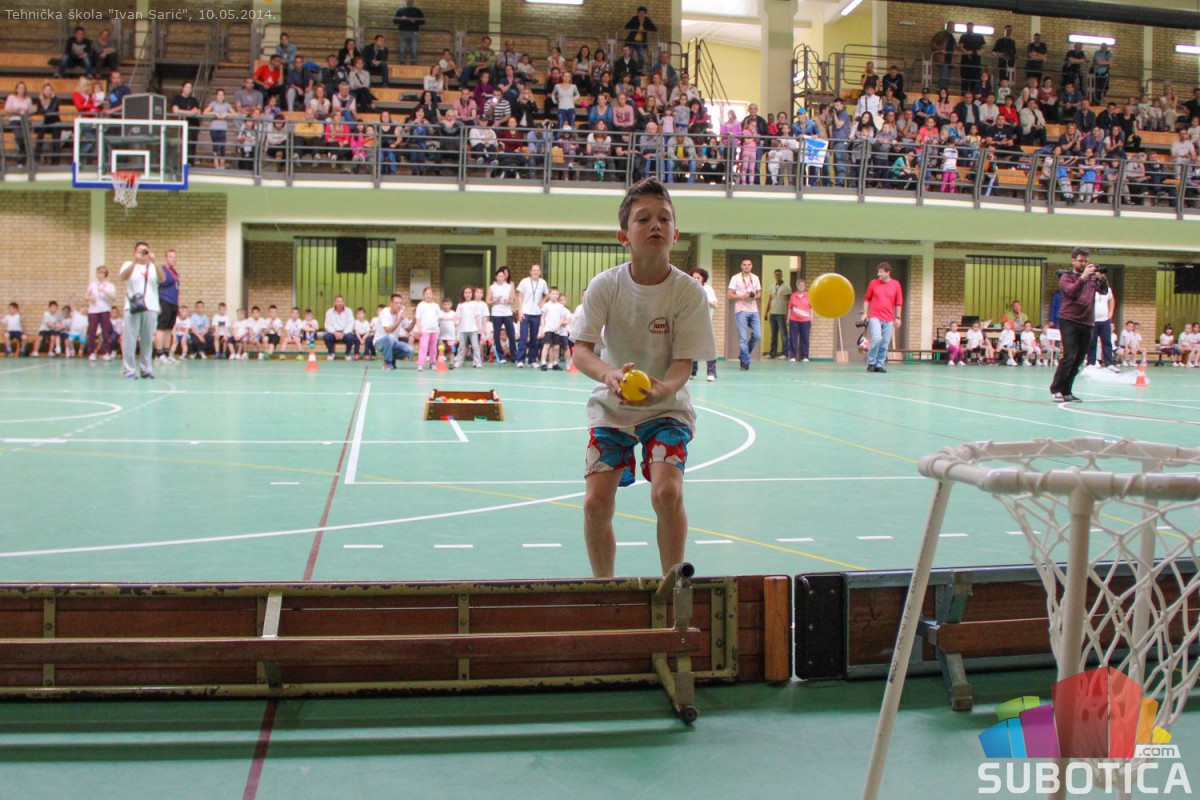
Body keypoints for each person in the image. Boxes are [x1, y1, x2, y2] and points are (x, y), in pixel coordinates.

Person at [571, 178, 715, 577]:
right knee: (595, 504)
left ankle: (673, 584)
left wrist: (663, 389)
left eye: (664, 219)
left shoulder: (688, 292)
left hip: (666, 409)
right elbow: (581, 350)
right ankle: (604, 587)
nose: (655, 225)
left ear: (675, 233)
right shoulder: (606, 285)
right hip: (611, 409)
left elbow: (683, 363)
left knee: (666, 493)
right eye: (643, 219)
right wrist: (609, 375)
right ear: (624, 236)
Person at [1050, 248, 1106, 401]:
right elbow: (1071, 292)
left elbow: (1104, 291)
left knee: (1078, 360)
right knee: (1069, 356)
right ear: (1073, 261)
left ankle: (1067, 391)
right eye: (1081, 261)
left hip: (1087, 322)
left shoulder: (1092, 279)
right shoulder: (1066, 277)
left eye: (1086, 261)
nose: (1083, 264)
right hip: (1069, 321)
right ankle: (1056, 389)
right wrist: (1083, 277)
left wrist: (1102, 278)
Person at [119, 242, 166, 379]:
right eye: (140, 251)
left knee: (147, 339)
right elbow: (123, 277)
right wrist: (135, 261)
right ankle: (129, 370)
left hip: (150, 307)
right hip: (132, 306)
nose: (143, 253)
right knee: (130, 339)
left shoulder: (153, 267)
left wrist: (154, 261)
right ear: (135, 252)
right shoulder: (128, 264)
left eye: (145, 251)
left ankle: (146, 369)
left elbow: (162, 278)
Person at [861, 262, 903, 373]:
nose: (878, 274)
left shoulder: (896, 284)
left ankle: (879, 364)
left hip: (889, 318)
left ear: (888, 272)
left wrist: (898, 317)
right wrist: (865, 313)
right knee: (877, 338)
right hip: (875, 316)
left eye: (881, 272)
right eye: (878, 271)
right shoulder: (873, 283)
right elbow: (866, 299)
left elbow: (898, 302)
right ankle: (871, 362)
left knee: (884, 343)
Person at [727, 258, 761, 370]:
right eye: (744, 264)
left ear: (751, 266)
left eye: (749, 264)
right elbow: (729, 295)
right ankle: (745, 363)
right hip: (741, 310)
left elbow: (759, 293)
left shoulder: (755, 278)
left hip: (753, 310)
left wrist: (754, 296)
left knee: (757, 335)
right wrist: (742, 296)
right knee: (743, 338)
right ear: (741, 266)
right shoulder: (735, 278)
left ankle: (743, 354)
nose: (747, 266)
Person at [515, 264, 549, 367]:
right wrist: (520, 311)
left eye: (538, 270)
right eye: (534, 270)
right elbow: (520, 297)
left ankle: (532, 360)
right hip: (525, 312)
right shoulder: (524, 281)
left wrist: (543, 302)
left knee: (534, 337)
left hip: (536, 313)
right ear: (530, 271)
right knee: (523, 336)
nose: (536, 272)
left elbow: (547, 294)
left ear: (540, 272)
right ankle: (520, 360)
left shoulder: (543, 282)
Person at [687, 268, 718, 381]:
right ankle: (693, 372)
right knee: (693, 347)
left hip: (706, 323)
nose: (695, 279)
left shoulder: (708, 289)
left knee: (709, 348)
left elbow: (715, 305)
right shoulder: (688, 289)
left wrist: (703, 298)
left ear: (703, 279)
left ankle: (711, 373)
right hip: (692, 323)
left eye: (698, 278)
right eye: (693, 277)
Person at [84, 265, 117, 362]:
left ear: (105, 274)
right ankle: (91, 353)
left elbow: (114, 298)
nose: (98, 275)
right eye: (97, 273)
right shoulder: (93, 284)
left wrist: (104, 291)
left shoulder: (110, 285)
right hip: (93, 311)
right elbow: (85, 296)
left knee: (106, 332)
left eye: (100, 273)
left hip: (105, 310)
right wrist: (90, 298)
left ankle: (106, 352)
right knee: (91, 332)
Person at [1086, 272, 1117, 371]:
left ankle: (1109, 363)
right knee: (1092, 342)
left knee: (1107, 341)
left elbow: (1111, 300)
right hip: (1092, 320)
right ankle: (1091, 363)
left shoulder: (1108, 290)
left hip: (1105, 320)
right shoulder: (1090, 289)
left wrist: (1111, 312)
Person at [153, 249, 180, 362]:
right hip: (164, 301)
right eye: (171, 257)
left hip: (174, 303)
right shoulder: (162, 270)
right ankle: (159, 354)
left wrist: (177, 305)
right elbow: (161, 283)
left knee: (169, 328)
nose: (173, 259)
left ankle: (166, 353)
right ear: (166, 258)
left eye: (175, 257)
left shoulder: (175, 273)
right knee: (162, 327)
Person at [376, 293, 413, 369]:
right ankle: (387, 363)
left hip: (393, 342)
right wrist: (400, 319)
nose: (399, 305)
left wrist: (415, 319)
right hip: (379, 342)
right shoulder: (384, 312)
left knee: (410, 350)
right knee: (391, 337)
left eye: (400, 303)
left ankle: (391, 358)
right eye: (396, 303)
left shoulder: (400, 313)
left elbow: (408, 329)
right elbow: (388, 330)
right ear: (391, 304)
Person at [454, 285, 484, 369]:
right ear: (463, 294)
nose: (467, 294)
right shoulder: (460, 305)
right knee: (461, 347)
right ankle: (459, 362)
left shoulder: (475, 304)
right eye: (466, 293)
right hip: (463, 329)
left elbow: (477, 315)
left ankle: (478, 362)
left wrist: (478, 326)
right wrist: (457, 326)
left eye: (469, 292)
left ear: (472, 294)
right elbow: (458, 317)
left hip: (473, 329)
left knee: (475, 346)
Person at [765, 269, 790, 359]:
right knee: (773, 335)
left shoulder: (786, 287)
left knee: (784, 335)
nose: (778, 276)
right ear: (774, 276)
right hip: (773, 314)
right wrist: (766, 312)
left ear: (782, 275)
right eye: (776, 274)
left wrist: (788, 314)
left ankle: (785, 353)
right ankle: (772, 353)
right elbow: (770, 300)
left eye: (779, 274)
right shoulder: (772, 287)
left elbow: (789, 301)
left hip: (782, 313)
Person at [413, 286, 440, 370]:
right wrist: (419, 328)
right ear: (423, 295)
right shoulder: (421, 305)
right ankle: (420, 363)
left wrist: (452, 318)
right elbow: (418, 318)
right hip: (424, 330)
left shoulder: (435, 306)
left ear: (432, 295)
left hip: (434, 330)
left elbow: (440, 317)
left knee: (433, 348)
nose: (428, 295)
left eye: (430, 293)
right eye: (426, 294)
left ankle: (432, 363)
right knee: (423, 347)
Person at [322, 295, 357, 359]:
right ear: (334, 302)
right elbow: (327, 324)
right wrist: (334, 332)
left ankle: (347, 354)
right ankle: (331, 353)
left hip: (345, 333)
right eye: (338, 301)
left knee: (351, 338)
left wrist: (343, 333)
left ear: (343, 302)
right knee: (327, 337)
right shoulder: (329, 312)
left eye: (341, 301)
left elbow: (351, 324)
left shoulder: (349, 311)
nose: (340, 303)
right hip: (333, 333)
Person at [788, 278, 812, 363]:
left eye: (803, 285)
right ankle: (793, 356)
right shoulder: (793, 295)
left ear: (805, 286)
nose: (801, 286)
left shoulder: (809, 295)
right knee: (793, 339)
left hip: (805, 320)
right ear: (797, 286)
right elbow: (790, 308)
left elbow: (811, 308)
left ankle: (804, 356)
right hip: (794, 320)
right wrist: (788, 319)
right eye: (799, 285)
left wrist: (811, 318)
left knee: (805, 339)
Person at [393, 0, 425, 65]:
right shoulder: (400, 10)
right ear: (406, 1)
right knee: (402, 50)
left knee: (414, 50)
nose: (409, 1)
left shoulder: (417, 10)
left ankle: (414, 66)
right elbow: (394, 21)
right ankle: (402, 66)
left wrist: (415, 20)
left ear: (413, 1)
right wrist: (400, 19)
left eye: (411, 1)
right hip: (403, 32)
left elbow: (422, 21)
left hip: (414, 33)